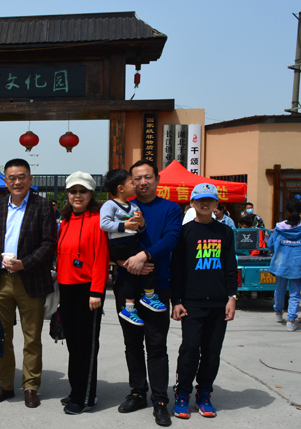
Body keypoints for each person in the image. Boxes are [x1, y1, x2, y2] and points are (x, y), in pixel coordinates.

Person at [0, 158, 57, 409]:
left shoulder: (43, 205)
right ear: (5, 181)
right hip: (1, 280)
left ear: (30, 179)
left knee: (31, 337)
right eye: (12, 177)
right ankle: (4, 385)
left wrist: (25, 263)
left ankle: (31, 386)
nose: (17, 182)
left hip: (30, 279)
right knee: (1, 336)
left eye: (22, 176)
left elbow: (49, 243)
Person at [114, 160, 181, 427]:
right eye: (137, 178)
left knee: (156, 345)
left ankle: (160, 400)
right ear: (131, 182)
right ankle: (138, 393)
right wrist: (125, 263)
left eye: (148, 177)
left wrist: (144, 255)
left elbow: (172, 238)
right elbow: (107, 239)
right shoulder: (122, 206)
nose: (143, 182)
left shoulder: (170, 208)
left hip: (158, 286)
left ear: (157, 179)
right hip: (126, 285)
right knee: (132, 343)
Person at [171, 183, 237, 419]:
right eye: (200, 200)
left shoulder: (225, 232)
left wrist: (232, 297)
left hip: (218, 303)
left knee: (212, 352)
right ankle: (182, 393)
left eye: (210, 200)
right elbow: (176, 270)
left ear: (217, 204)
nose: (205, 204)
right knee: (190, 349)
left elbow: (230, 267)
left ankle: (204, 394)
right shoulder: (184, 232)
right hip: (192, 303)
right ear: (192, 203)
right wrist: (176, 300)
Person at [56, 171, 109, 414]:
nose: (77, 195)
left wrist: (96, 291)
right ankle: (77, 390)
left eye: (83, 191)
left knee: (86, 346)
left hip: (88, 290)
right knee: (73, 344)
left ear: (91, 194)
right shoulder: (66, 220)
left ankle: (84, 397)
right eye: (73, 191)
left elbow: (101, 257)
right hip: (66, 288)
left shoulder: (98, 219)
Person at [101, 169, 164, 327]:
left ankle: (129, 307)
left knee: (133, 272)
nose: (135, 185)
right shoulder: (110, 205)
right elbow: (104, 224)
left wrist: (141, 222)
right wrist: (124, 225)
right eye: (131, 182)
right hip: (119, 245)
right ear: (121, 188)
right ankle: (148, 296)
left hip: (131, 243)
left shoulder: (134, 206)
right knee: (147, 260)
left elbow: (140, 229)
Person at [269, 199, 301, 332]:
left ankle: (278, 312)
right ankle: (291, 321)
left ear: (287, 211)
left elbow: (271, 244)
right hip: (298, 264)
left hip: (281, 263)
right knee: (295, 293)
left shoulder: (279, 228)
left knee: (280, 289)